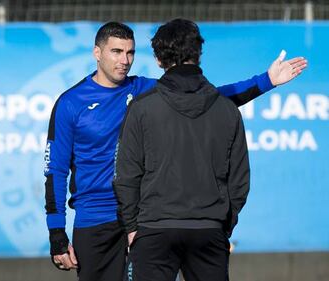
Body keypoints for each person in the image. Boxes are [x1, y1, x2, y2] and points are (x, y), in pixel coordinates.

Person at [44, 21, 306, 281]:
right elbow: (55, 170)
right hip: (96, 220)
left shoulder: (143, 89)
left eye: (130, 52)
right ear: (97, 53)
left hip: (142, 218)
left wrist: (267, 81)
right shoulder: (71, 103)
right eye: (116, 52)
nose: (124, 60)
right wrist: (57, 233)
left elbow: (211, 97)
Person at [113, 18, 251, 281]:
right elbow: (240, 179)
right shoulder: (227, 109)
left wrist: (132, 227)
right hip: (208, 229)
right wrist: (222, 224)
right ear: (198, 53)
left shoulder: (142, 108)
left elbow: (125, 175)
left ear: (157, 59)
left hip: (154, 229)